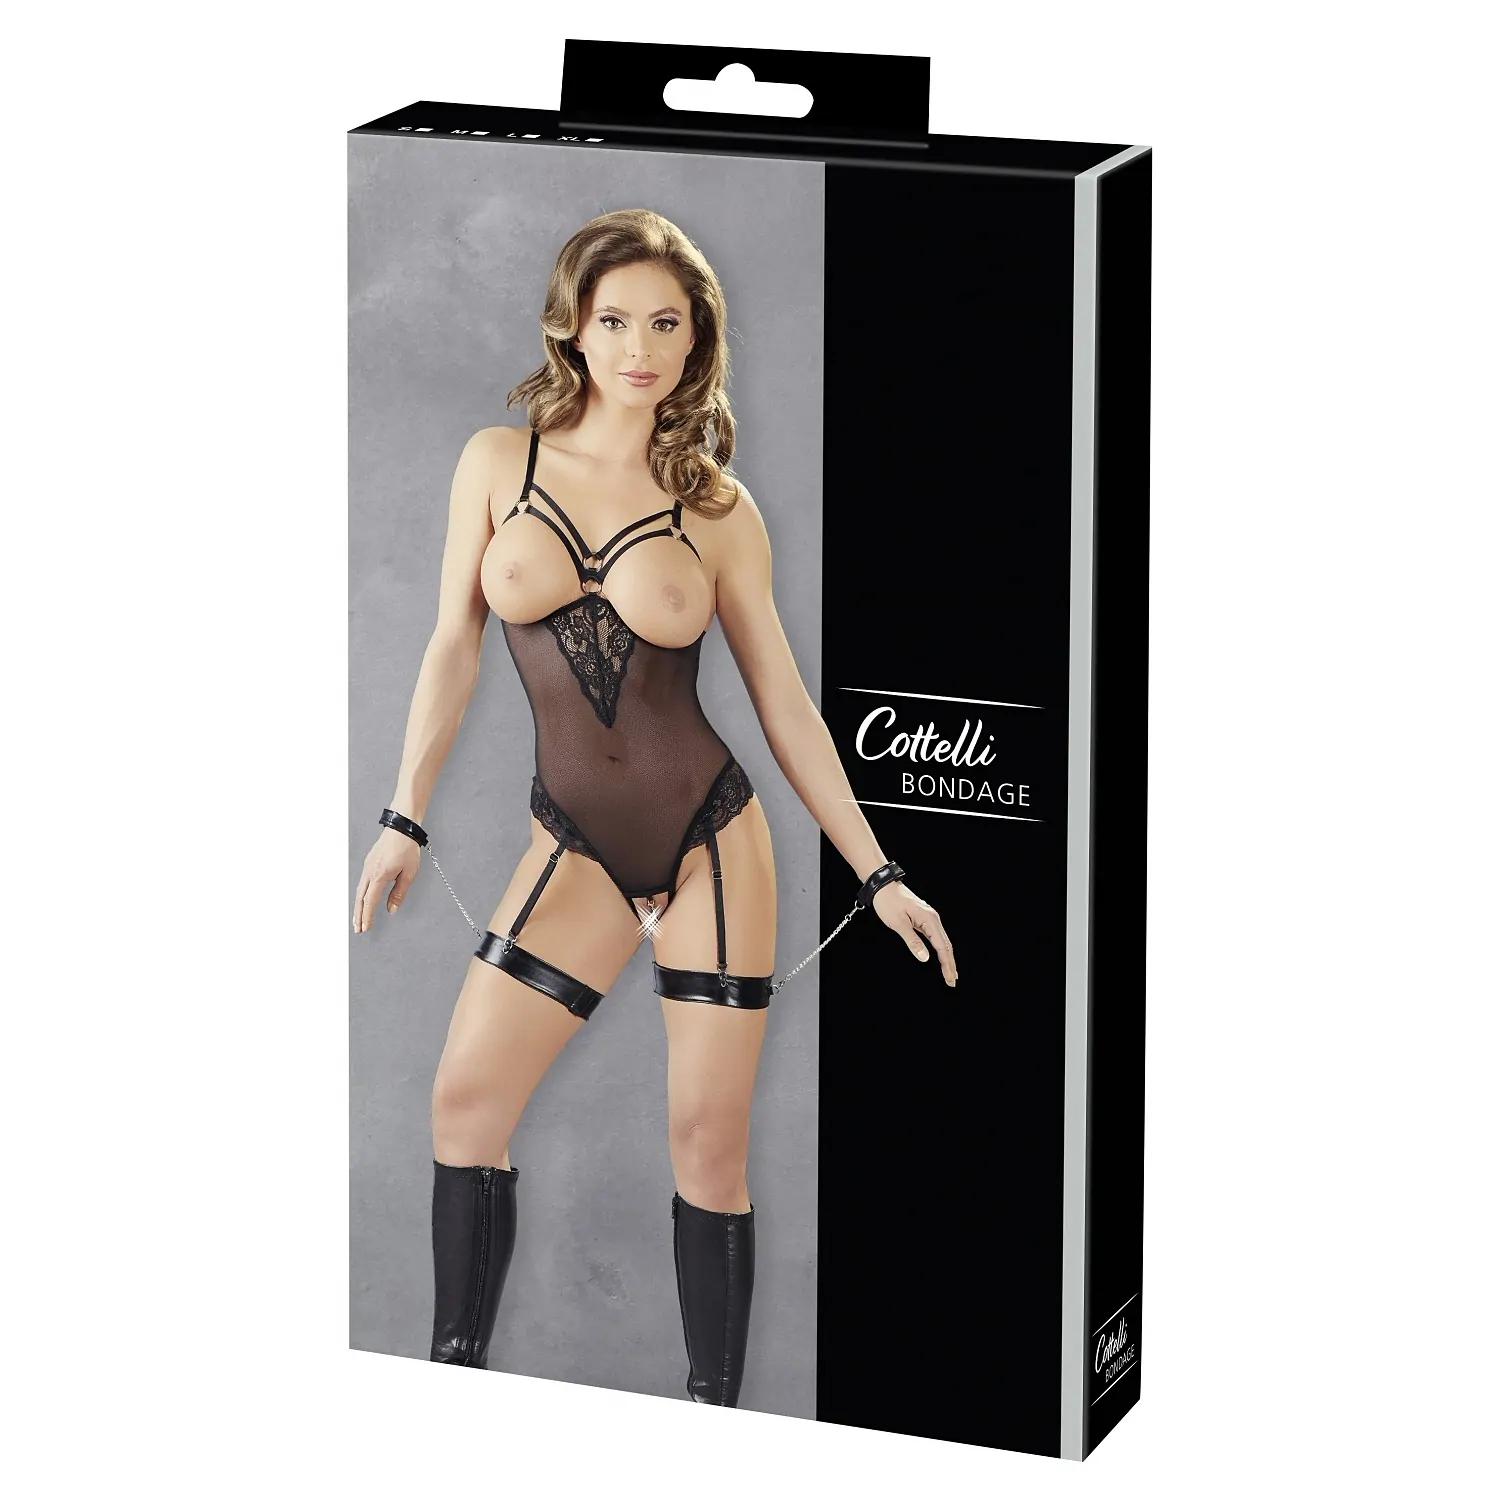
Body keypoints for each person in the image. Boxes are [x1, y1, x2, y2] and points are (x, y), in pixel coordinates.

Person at [352, 208, 957, 1408]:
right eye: (616, 319)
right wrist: (404, 813)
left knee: (708, 1146)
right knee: (465, 1106)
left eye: (666, 324)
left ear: (696, 341)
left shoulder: (720, 510)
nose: (640, 347)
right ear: (572, 328)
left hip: (710, 843)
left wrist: (879, 871)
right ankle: (447, 1394)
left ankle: (710, 1422)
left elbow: (785, 705)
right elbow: (452, 647)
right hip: (572, 843)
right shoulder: (498, 462)